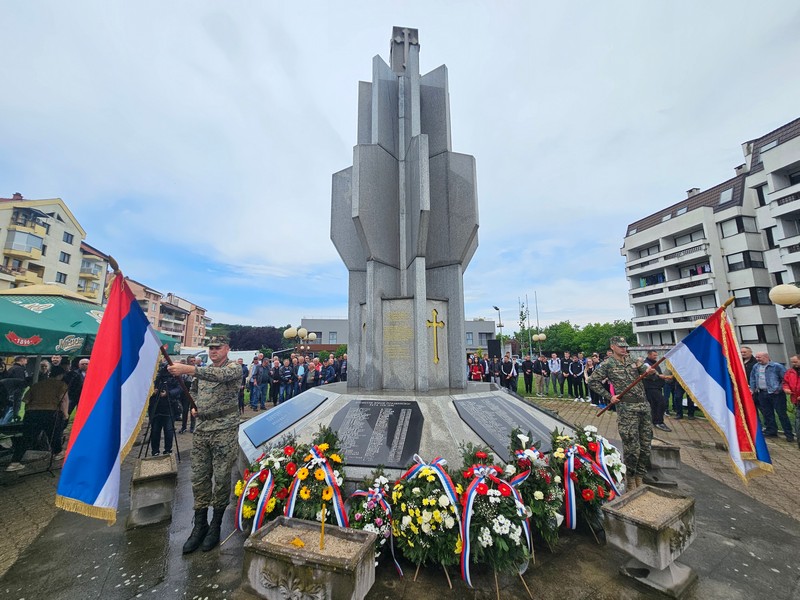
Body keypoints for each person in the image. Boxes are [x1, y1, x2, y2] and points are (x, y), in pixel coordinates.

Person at [167, 336, 242, 554]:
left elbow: (217, 375)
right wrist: (196, 406)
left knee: (220, 478)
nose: (213, 351)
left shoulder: (233, 368)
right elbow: (197, 391)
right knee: (199, 477)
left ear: (227, 348)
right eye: (210, 348)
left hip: (224, 430)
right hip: (202, 429)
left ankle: (216, 525)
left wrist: (188, 369)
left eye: (217, 348)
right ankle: (200, 525)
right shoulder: (204, 370)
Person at [589, 336, 656, 492]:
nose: (624, 349)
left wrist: (649, 371)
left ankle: (640, 475)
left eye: (625, 346)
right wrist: (609, 397)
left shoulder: (633, 360)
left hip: (643, 407)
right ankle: (631, 479)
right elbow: (592, 381)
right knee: (633, 448)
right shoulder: (607, 364)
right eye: (621, 347)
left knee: (646, 446)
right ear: (613, 347)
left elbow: (647, 373)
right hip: (627, 409)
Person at [5, 365, 69, 472]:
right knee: (53, 434)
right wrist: (66, 414)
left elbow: (25, 400)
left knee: (27, 437)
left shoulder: (37, 385)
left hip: (32, 413)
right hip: (51, 412)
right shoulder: (61, 384)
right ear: (61, 375)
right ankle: (58, 453)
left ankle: (15, 462)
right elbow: (64, 400)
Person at [749, 352, 793, 442]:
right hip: (762, 393)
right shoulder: (756, 366)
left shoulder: (777, 366)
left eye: (759, 357)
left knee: (781, 414)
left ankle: (788, 433)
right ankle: (771, 430)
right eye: (756, 357)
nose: (757, 359)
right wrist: (753, 389)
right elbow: (753, 378)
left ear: (766, 357)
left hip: (776, 394)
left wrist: (779, 389)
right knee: (767, 413)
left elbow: (785, 379)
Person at [148, 363, 183, 456]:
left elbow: (180, 388)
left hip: (169, 406)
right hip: (156, 407)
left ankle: (168, 449)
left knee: (169, 430)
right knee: (155, 431)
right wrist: (153, 390)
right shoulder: (156, 377)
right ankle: (155, 451)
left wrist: (168, 393)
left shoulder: (176, 376)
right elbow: (147, 387)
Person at [643, 350, 671, 432]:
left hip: (657, 386)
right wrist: (659, 376)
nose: (656, 357)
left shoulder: (654, 363)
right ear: (649, 355)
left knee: (655, 404)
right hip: (651, 387)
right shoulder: (646, 364)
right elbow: (648, 375)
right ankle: (658, 421)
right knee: (660, 402)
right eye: (654, 355)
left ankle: (655, 420)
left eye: (656, 355)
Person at [782, 355, 800, 449]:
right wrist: (786, 389)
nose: (793, 364)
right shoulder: (790, 372)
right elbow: (785, 382)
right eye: (792, 362)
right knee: (798, 422)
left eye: (795, 362)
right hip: (796, 400)